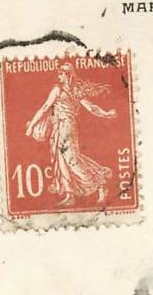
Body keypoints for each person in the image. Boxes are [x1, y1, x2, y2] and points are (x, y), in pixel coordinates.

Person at [25, 62, 115, 206]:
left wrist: (105, 114)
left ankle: (99, 184)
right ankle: (69, 195)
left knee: (72, 159)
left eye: (61, 73)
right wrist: (106, 114)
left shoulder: (65, 90)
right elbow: (46, 108)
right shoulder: (66, 89)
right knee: (62, 160)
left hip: (66, 127)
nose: (58, 76)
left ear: (67, 75)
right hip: (58, 127)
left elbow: (45, 108)